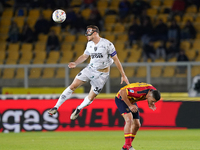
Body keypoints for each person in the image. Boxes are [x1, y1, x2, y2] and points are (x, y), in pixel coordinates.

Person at [48, 25, 130, 120]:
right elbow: (84, 56)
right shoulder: (89, 44)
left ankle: (79, 108)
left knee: (91, 98)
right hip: (90, 69)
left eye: (89, 32)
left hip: (102, 75)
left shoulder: (107, 44)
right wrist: (75, 63)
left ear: (95, 33)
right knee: (73, 86)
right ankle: (55, 107)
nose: (86, 35)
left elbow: (116, 59)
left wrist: (123, 75)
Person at [115, 82, 161, 150]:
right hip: (122, 99)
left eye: (154, 102)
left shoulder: (153, 92)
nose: (153, 103)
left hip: (132, 101)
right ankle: (127, 146)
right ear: (149, 96)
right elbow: (122, 92)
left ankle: (126, 146)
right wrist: (130, 105)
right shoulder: (138, 91)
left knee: (137, 124)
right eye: (152, 101)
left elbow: (151, 96)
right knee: (129, 119)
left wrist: (150, 103)